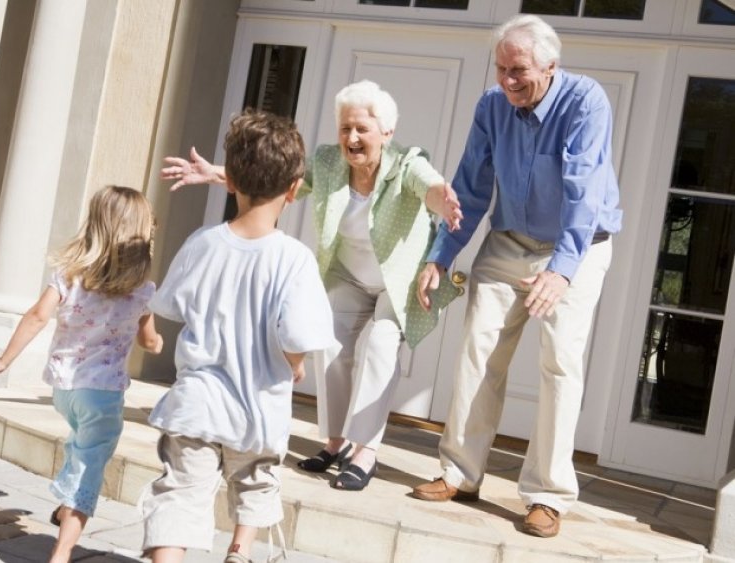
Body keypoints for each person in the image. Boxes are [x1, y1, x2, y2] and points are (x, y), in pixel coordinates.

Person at [162, 80, 463, 492]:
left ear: (387, 133)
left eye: (361, 129)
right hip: (349, 276)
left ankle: (365, 450)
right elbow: (278, 179)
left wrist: (442, 201)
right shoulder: (326, 162)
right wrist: (218, 173)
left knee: (378, 346)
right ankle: (336, 442)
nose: (351, 138)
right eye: (345, 129)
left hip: (397, 284)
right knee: (333, 345)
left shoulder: (407, 164)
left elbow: (429, 186)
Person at [411, 14, 622, 539]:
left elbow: (583, 190)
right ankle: (460, 473)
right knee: (478, 351)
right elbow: (472, 185)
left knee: (560, 363)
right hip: (508, 242)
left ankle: (548, 494)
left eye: (519, 70)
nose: (507, 81)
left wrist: (564, 270)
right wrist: (442, 254)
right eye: (501, 68)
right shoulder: (491, 106)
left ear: (551, 66)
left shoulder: (585, 101)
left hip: (580, 244)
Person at [140, 109, 336, 563]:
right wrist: (297, 363)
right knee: (257, 481)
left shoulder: (202, 243)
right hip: (258, 408)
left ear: (229, 181)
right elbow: (298, 335)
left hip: (198, 402)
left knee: (180, 493)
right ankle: (239, 552)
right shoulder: (295, 259)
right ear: (293, 190)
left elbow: (168, 305)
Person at [0, 185, 163, 563]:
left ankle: (64, 510)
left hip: (64, 390)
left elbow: (36, 316)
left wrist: (4, 360)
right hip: (104, 395)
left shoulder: (69, 276)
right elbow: (149, 341)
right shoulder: (142, 290)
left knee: (80, 445)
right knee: (90, 468)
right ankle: (61, 552)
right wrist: (157, 342)